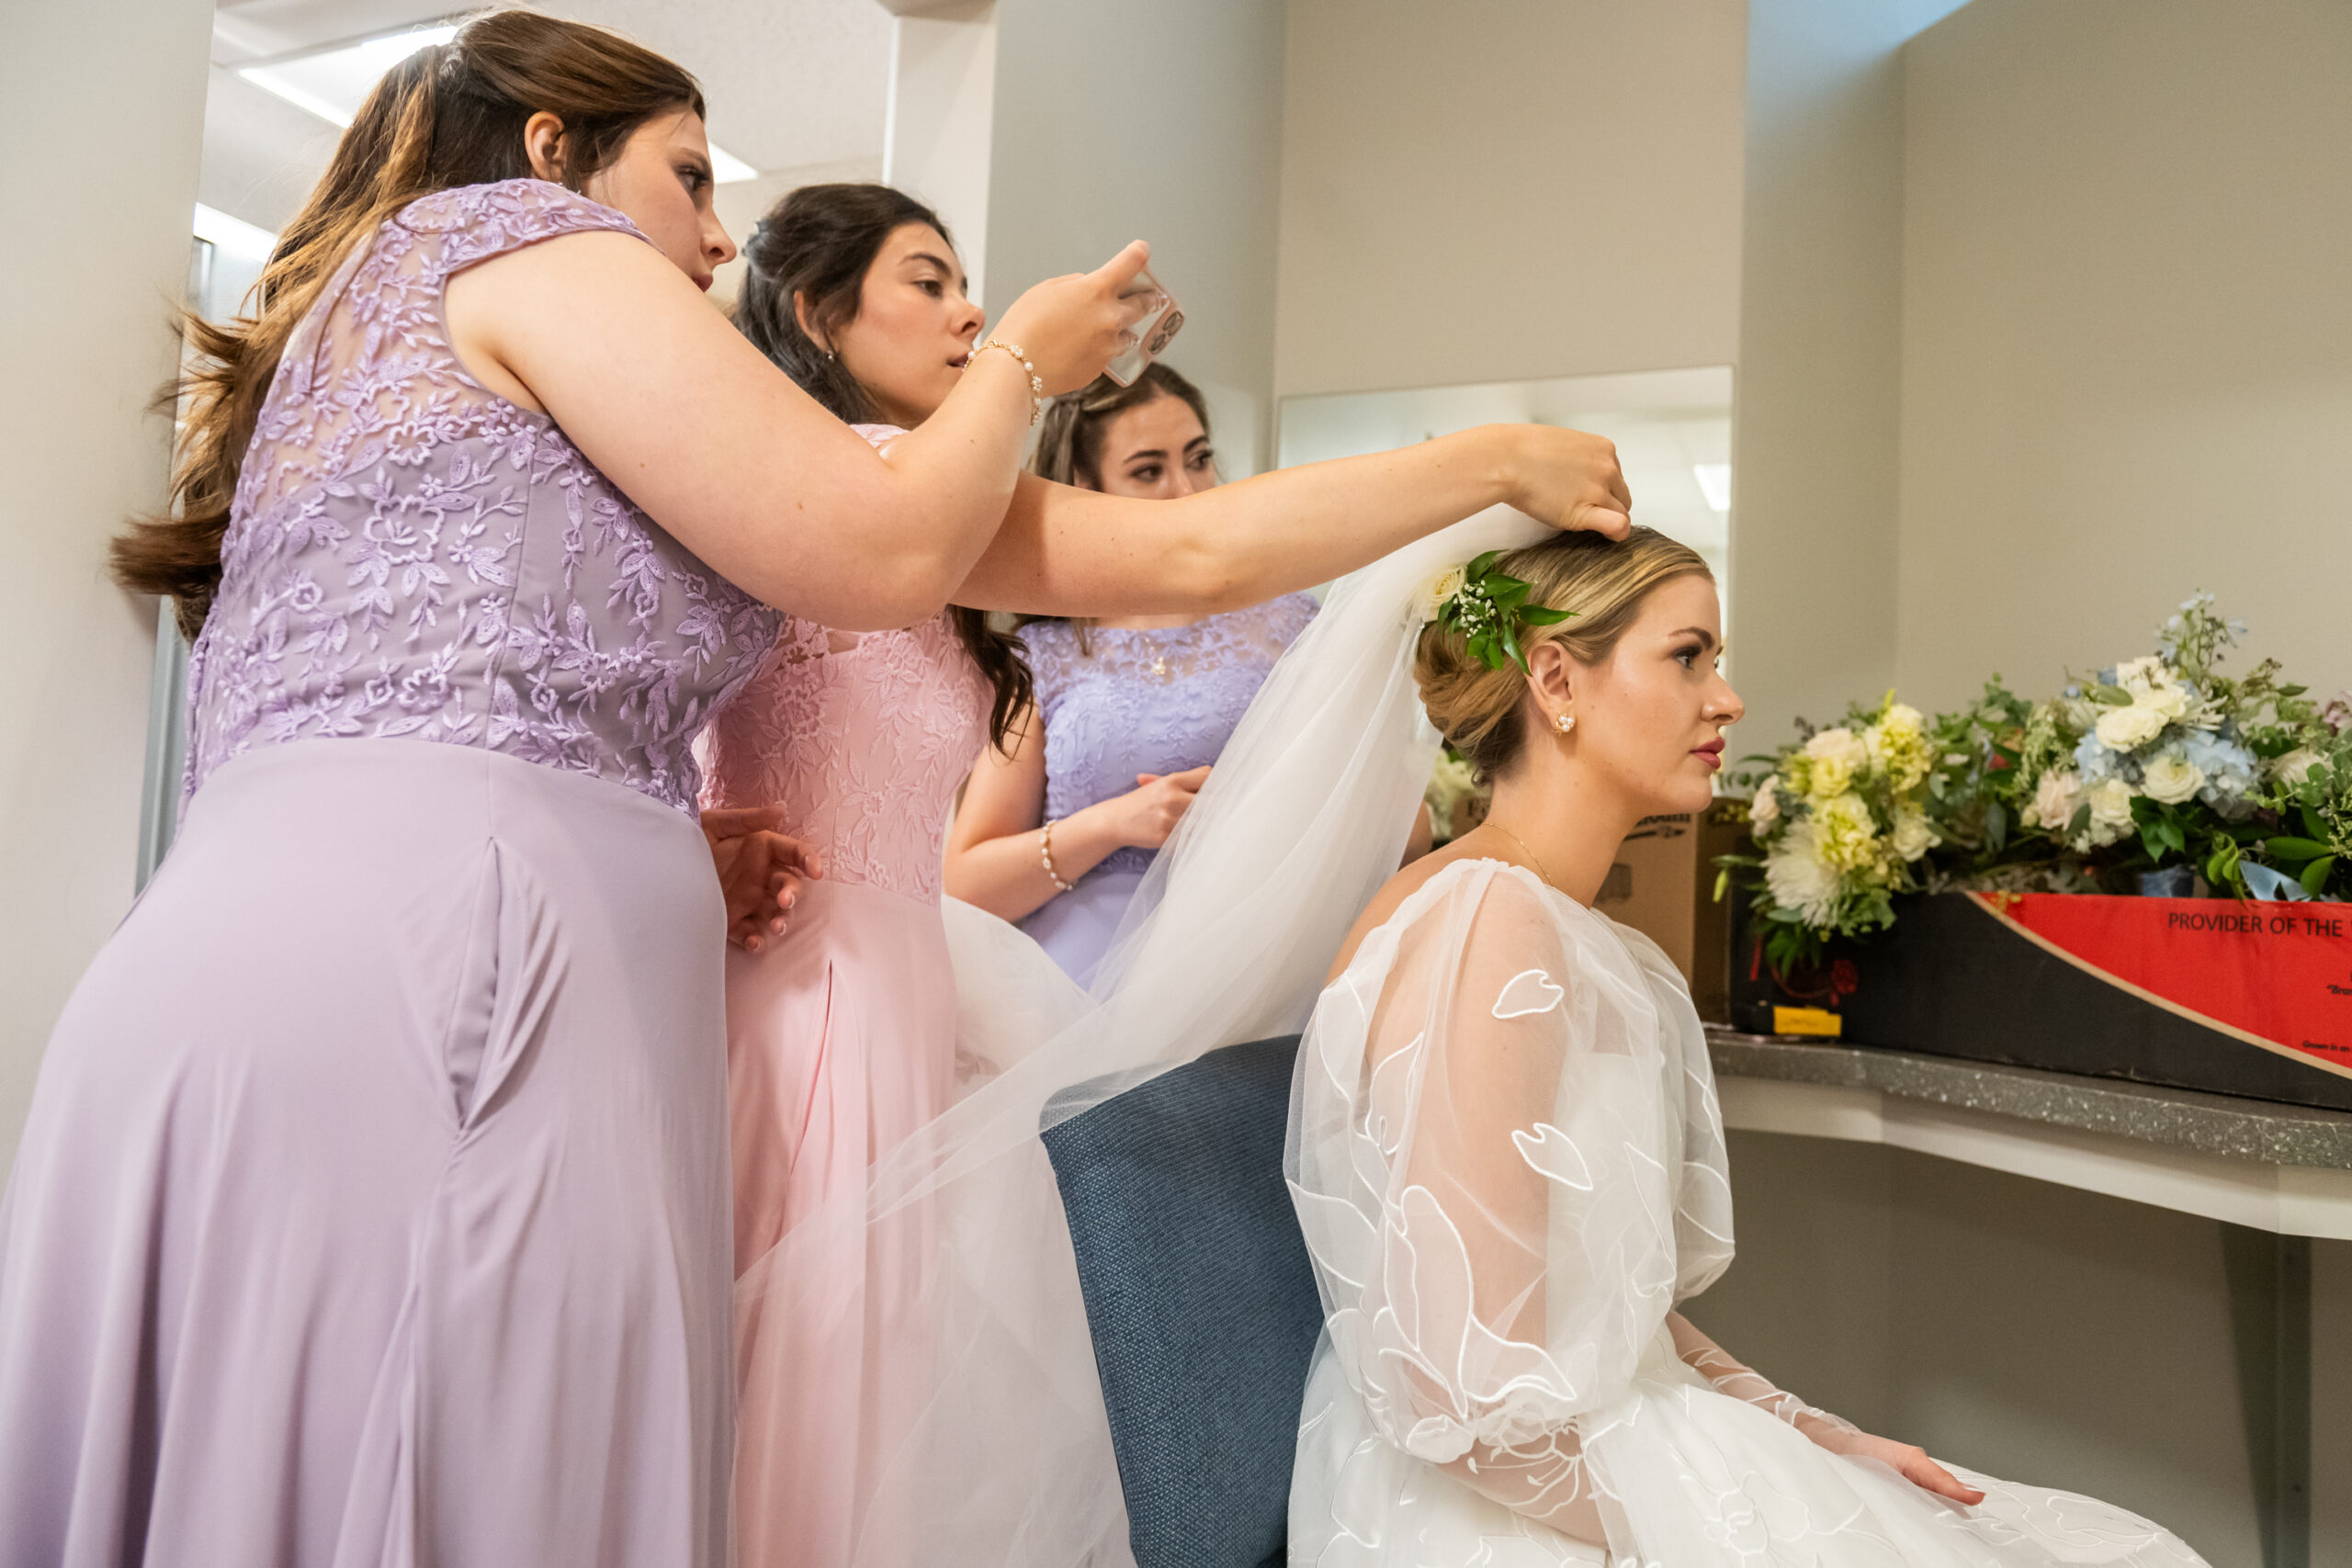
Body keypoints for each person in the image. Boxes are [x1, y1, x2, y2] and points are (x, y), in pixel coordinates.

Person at [0, 14, 1631, 1564]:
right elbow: (908, 549)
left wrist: (1486, 461)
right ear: (551, 151)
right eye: (692, 179)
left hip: (271, 941)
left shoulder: (394, 347)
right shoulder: (516, 236)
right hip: (462, 973)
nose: (718, 243)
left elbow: (1185, 554)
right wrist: (1023, 360)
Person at [701, 180, 1634, 1568]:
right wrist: (1115, 822)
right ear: (813, 314)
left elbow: (1382, 607)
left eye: (1199, 455)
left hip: (1191, 998)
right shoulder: (973, 595)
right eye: (925, 279)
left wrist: (1518, 585)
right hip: (954, 994)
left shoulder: (1203, 599)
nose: (963, 306)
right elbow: (1185, 570)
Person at [1283, 526, 2211, 1563]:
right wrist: (1756, 1516)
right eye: (1688, 656)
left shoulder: (1575, 935)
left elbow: (1609, 1318)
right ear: (1555, 677)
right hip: (1495, 1509)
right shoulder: (1490, 929)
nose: (1725, 699)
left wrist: (1818, 1435)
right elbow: (1458, 1401)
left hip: (1600, 1450)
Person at [944, 365, 1318, 987]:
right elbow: (966, 884)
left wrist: (1261, 807)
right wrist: (1113, 823)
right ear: (1084, 488)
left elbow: (1402, 826)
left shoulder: (1288, 623)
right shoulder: (1043, 655)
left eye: (1198, 459)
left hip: (1247, 977)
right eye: (1149, 470)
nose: (1187, 490)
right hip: (1072, 992)